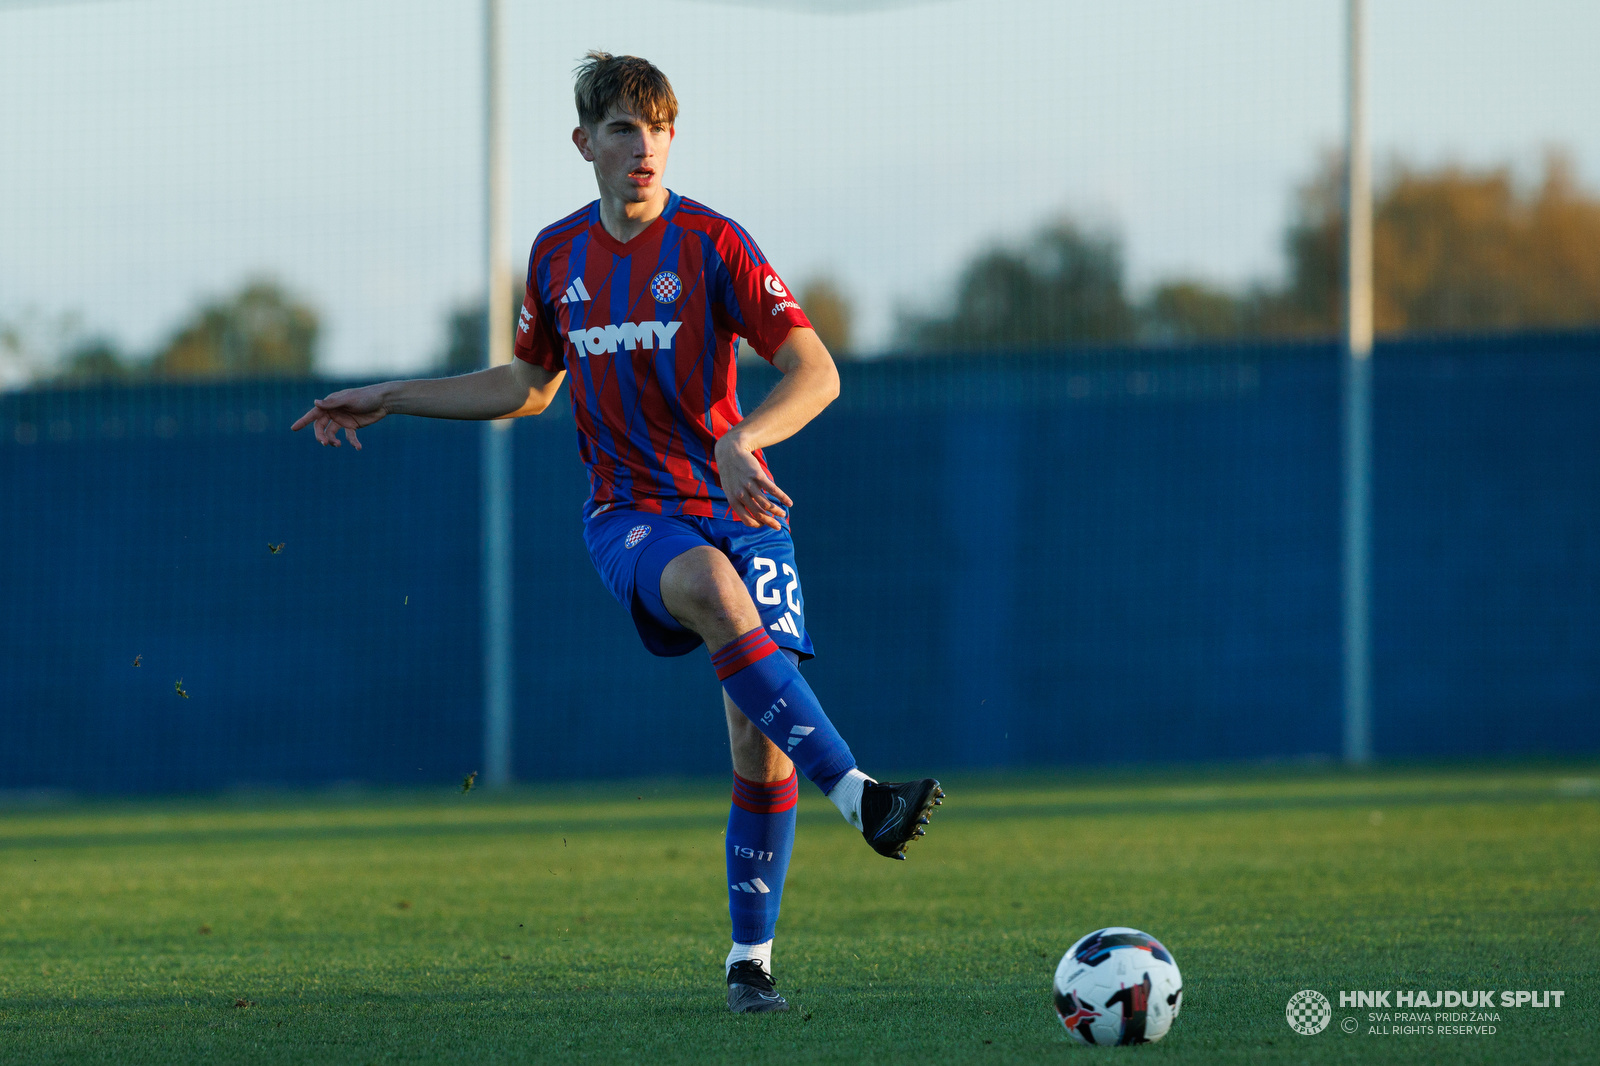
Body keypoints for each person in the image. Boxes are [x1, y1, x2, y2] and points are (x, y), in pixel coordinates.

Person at [292, 50, 942, 1014]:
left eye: (660, 127)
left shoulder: (715, 242)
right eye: (625, 129)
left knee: (760, 744)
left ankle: (749, 963)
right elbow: (525, 385)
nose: (645, 147)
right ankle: (857, 793)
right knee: (715, 596)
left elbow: (817, 371)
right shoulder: (558, 257)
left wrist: (744, 436)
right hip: (629, 515)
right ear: (585, 142)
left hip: (742, 502)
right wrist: (391, 393)